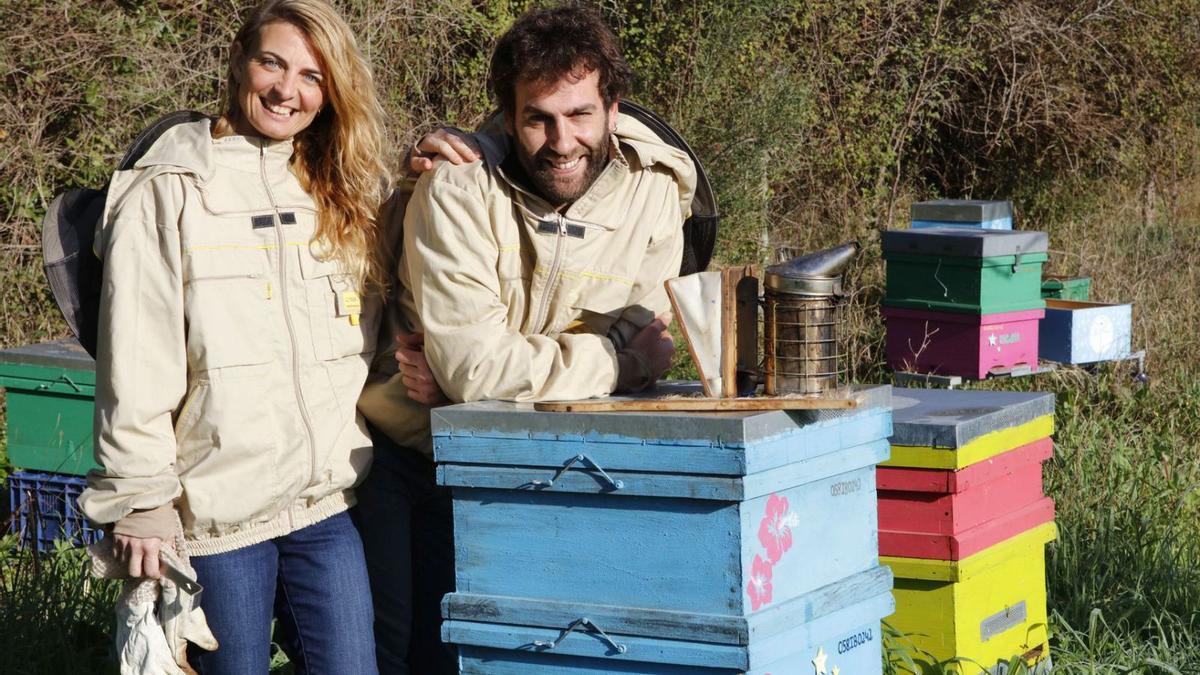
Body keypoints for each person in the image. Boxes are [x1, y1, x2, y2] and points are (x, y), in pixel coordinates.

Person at [355, 4, 697, 672]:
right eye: (538, 117)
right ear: (509, 118)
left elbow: (489, 368)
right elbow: (477, 368)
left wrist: (485, 374)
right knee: (410, 654)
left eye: (579, 115)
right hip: (420, 456)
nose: (561, 140)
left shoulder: (656, 194)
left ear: (613, 108)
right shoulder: (454, 185)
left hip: (564, 467)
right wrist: (615, 364)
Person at [77, 1, 388, 672]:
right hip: (213, 520)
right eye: (271, 62)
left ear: (332, 90)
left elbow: (364, 340)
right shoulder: (170, 187)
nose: (287, 89)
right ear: (238, 61)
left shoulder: (338, 188)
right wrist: (141, 497)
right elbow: (135, 355)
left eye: (312, 75)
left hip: (326, 506)